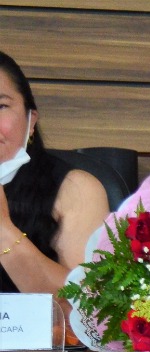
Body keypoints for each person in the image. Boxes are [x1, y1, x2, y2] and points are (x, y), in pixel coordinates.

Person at [0, 50, 109, 296]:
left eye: (1, 105)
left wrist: (4, 231)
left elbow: (87, 309)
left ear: (31, 121)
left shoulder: (76, 188)